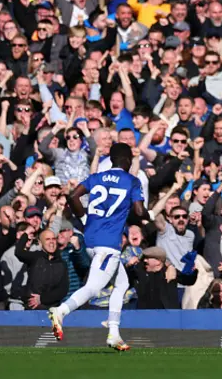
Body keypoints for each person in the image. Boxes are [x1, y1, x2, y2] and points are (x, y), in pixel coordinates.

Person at [47, 143, 148, 351]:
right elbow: (138, 211)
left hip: (91, 237)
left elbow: (73, 196)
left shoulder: (96, 177)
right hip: (108, 244)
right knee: (93, 287)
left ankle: (114, 332)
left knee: (122, 284)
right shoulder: (132, 180)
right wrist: (148, 214)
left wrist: (84, 218)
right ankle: (61, 311)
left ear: (111, 159)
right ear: (128, 160)